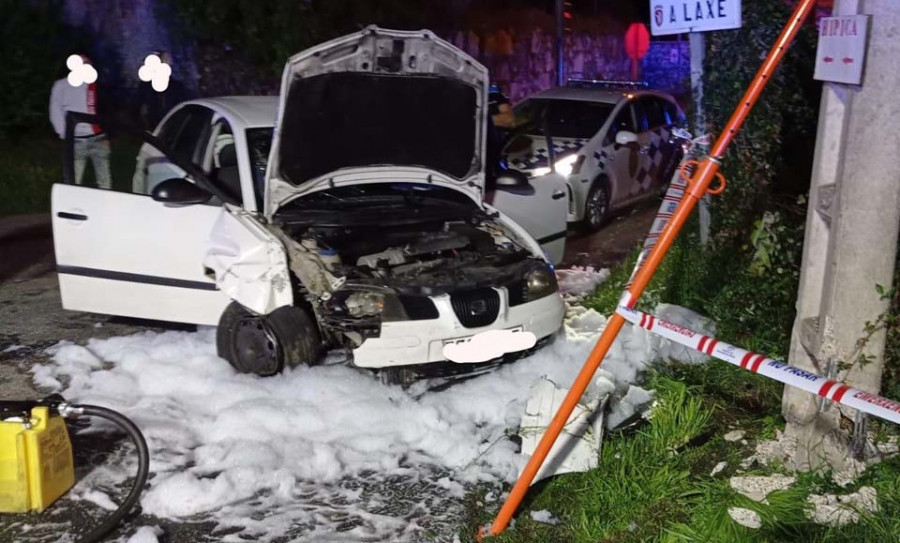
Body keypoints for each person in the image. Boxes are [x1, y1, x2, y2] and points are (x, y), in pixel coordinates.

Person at [49, 55, 111, 189]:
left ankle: (106, 206)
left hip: (98, 138)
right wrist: (64, 134)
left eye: (89, 63)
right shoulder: (61, 85)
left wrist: (108, 134)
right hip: (75, 139)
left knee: (104, 180)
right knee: (73, 181)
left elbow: (107, 109)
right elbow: (55, 109)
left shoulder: (94, 85)